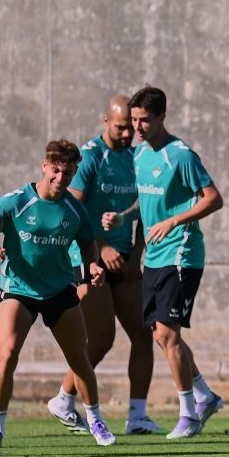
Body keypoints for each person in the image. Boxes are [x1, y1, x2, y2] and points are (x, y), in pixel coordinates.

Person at [0, 140, 115, 448]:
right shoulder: (16, 201)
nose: (60, 179)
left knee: (79, 358)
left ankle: (95, 420)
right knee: (6, 354)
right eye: (55, 171)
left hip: (59, 290)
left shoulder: (74, 208)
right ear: (44, 166)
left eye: (67, 173)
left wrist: (92, 265)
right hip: (18, 289)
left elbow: (86, 242)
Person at [48, 95, 158, 435]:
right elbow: (73, 209)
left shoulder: (139, 157)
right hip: (91, 259)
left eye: (132, 127)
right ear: (106, 121)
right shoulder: (92, 156)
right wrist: (102, 247)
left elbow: (146, 208)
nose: (128, 133)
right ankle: (64, 398)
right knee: (101, 337)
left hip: (125, 261)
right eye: (122, 127)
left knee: (143, 335)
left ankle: (137, 415)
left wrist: (137, 252)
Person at [129, 86, 225, 439]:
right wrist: (122, 216)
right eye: (135, 120)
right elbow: (146, 203)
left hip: (181, 253)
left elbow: (214, 199)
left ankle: (188, 415)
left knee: (168, 334)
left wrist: (174, 221)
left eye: (145, 120)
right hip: (153, 256)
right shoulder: (140, 156)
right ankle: (204, 396)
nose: (138, 127)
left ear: (161, 118)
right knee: (160, 335)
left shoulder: (180, 156)